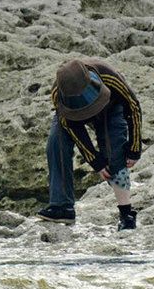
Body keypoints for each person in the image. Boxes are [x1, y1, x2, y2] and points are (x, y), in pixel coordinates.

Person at [37, 59, 143, 230]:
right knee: (56, 143)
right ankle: (62, 206)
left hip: (110, 108)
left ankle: (126, 214)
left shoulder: (109, 76)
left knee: (114, 153)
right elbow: (72, 128)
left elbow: (133, 106)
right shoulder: (59, 94)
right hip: (71, 114)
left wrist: (135, 147)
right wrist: (95, 161)